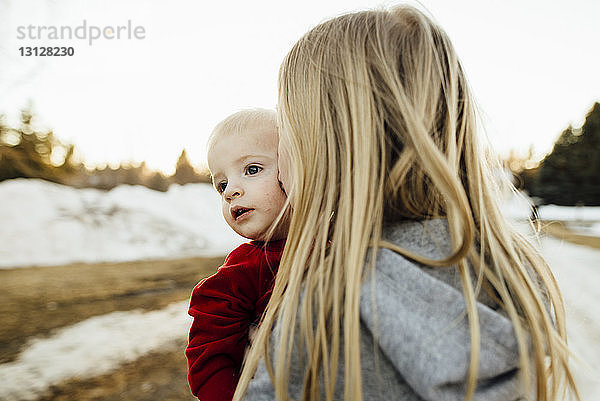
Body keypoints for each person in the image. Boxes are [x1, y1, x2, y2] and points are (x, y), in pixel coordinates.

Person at [235, 5, 579, 401]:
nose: (279, 151)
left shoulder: (325, 308)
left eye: (287, 126)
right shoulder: (511, 270)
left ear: (331, 144)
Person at [186, 109, 289, 401]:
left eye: (252, 169)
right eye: (221, 184)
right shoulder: (244, 268)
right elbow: (208, 357)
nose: (231, 191)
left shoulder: (340, 237)